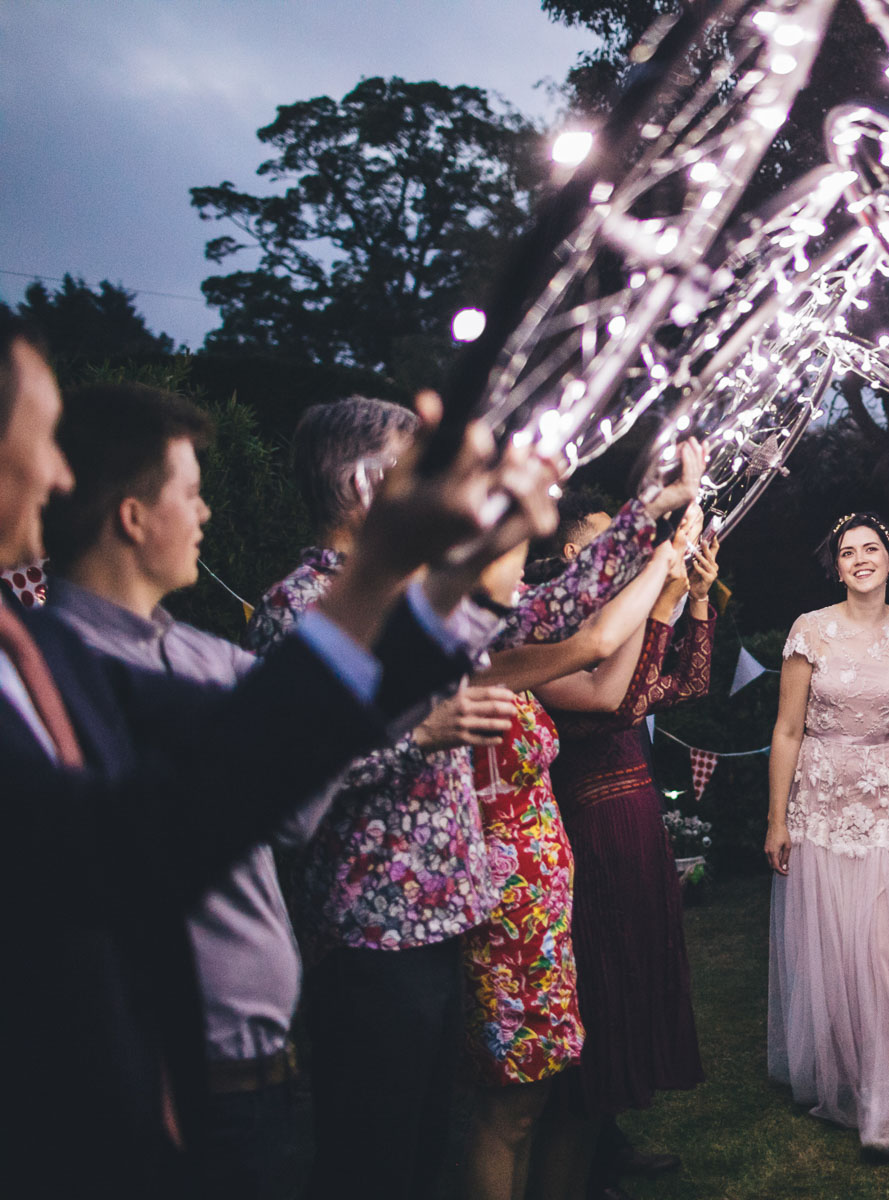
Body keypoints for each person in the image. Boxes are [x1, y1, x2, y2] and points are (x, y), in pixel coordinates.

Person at [0, 311, 559, 1197]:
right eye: (36, 441)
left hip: (242, 1053)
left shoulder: (129, 654)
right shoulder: (50, 656)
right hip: (125, 1091)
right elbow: (182, 812)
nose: (59, 474)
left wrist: (457, 581)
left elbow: (273, 745)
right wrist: (386, 570)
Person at [250, 397, 700, 1200]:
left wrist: (649, 513)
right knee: (370, 1162)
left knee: (425, 1152)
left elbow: (544, 613)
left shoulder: (420, 600)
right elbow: (283, 769)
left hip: (451, 926)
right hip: (370, 941)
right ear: (367, 484)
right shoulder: (303, 608)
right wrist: (418, 736)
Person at [39, 381, 332, 1198]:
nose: (205, 515)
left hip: (265, 1063)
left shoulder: (205, 654)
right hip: (169, 1075)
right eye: (193, 493)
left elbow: (300, 802)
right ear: (133, 518)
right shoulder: (61, 670)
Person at [459, 535, 682, 1200]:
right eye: (512, 555)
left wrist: (664, 589)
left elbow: (605, 664)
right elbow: (593, 653)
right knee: (511, 1107)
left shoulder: (501, 649)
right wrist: (658, 567)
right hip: (502, 910)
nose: (527, 574)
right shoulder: (468, 655)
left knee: (542, 1099)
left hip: (544, 912)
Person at [534, 505, 718, 1200]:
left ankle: (602, 1148)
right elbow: (616, 702)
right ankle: (583, 1155)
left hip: (636, 816)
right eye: (601, 538)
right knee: (599, 985)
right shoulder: (553, 634)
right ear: (568, 551)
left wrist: (695, 595)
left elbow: (686, 685)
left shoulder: (617, 628)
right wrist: (663, 600)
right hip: (588, 827)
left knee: (629, 980)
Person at [764, 512, 889, 1155]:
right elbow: (788, 730)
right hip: (820, 804)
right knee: (835, 950)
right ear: (839, 567)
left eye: (871, 549)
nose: (860, 559)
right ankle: (847, 1077)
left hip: (884, 804)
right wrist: (776, 818)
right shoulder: (809, 631)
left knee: (883, 950)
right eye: (848, 552)